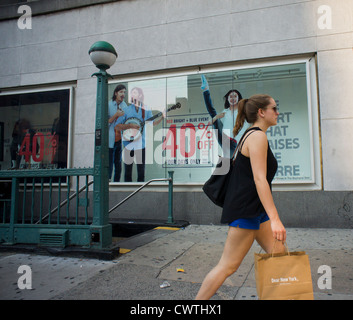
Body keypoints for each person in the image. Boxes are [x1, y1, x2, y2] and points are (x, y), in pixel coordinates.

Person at [195, 94, 286, 300]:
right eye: (274, 108)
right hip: (246, 212)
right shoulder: (257, 136)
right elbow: (259, 180)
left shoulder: (252, 134)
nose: (277, 112)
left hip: (256, 210)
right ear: (261, 112)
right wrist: (276, 219)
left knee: (280, 254)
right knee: (227, 266)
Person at [116, 87, 163, 182]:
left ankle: (140, 193)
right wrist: (130, 125)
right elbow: (118, 126)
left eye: (135, 93)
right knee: (127, 173)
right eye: (132, 93)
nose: (133, 95)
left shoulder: (146, 109)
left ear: (140, 95)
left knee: (141, 172)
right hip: (128, 144)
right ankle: (127, 192)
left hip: (141, 144)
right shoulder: (126, 109)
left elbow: (152, 123)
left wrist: (162, 117)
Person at [200, 74, 249, 158]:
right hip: (225, 140)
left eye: (235, 96)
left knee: (231, 163)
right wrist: (216, 117)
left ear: (238, 98)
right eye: (230, 96)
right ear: (227, 99)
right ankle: (206, 90)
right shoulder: (225, 112)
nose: (233, 98)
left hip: (237, 143)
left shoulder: (242, 112)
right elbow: (211, 123)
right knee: (213, 113)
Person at [108, 84, 127, 182]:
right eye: (121, 92)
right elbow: (104, 123)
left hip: (120, 140)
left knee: (118, 165)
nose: (123, 94)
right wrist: (116, 115)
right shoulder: (109, 105)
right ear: (116, 93)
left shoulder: (125, 106)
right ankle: (108, 184)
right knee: (109, 165)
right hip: (110, 141)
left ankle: (116, 183)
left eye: (124, 92)